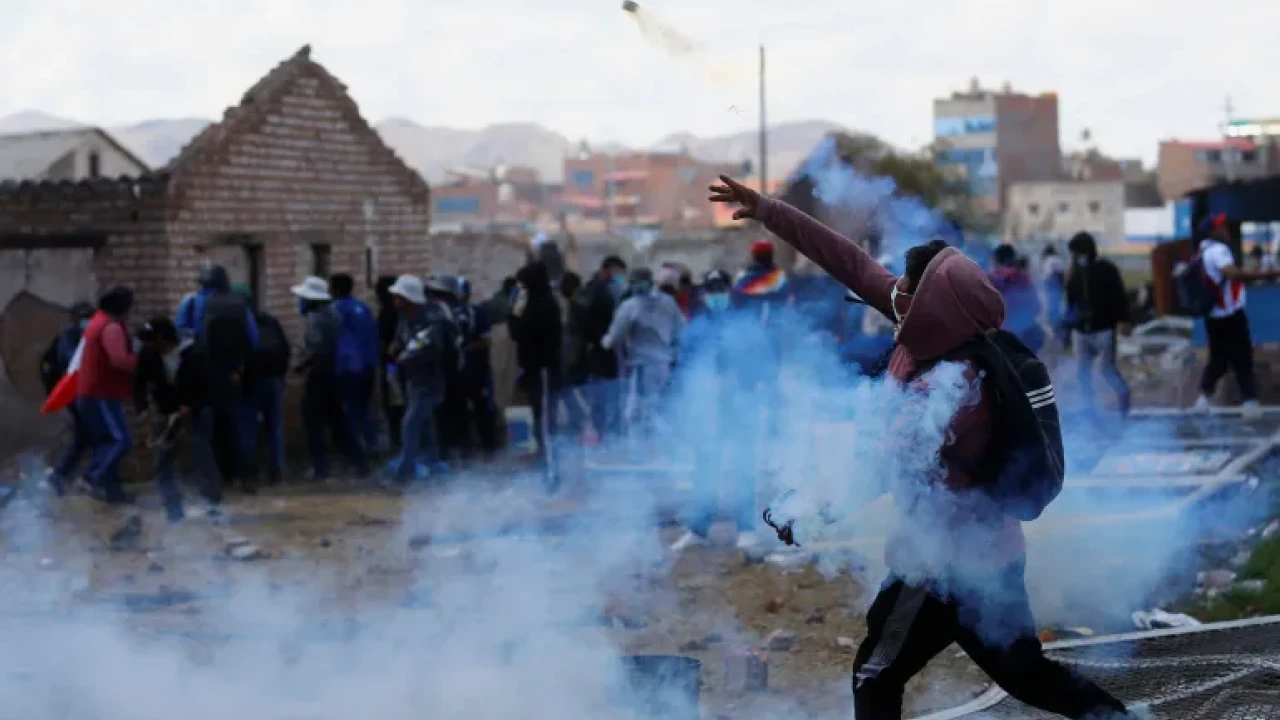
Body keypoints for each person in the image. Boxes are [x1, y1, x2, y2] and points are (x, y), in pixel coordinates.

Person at [708, 174, 1138, 720]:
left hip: (939, 570)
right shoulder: (940, 334)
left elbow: (885, 465)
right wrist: (768, 210)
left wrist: (807, 509)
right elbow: (851, 264)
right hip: (993, 560)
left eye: (906, 289)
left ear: (933, 305)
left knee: (875, 674)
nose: (893, 295)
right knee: (1029, 676)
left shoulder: (953, 388)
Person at [670, 269, 759, 552]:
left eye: (720, 288)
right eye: (711, 289)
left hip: (739, 407)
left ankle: (746, 528)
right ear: (704, 293)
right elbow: (683, 368)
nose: (716, 294)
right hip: (706, 409)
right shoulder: (695, 328)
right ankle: (699, 528)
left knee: (743, 467)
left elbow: (758, 365)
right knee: (706, 469)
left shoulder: (744, 325)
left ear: (729, 291)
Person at [175, 264, 259, 488]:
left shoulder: (191, 303)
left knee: (204, 431)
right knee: (233, 426)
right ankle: (240, 476)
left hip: (201, 379)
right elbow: (254, 341)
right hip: (231, 376)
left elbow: (179, 339)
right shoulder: (240, 305)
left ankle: (211, 482)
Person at [134, 317, 222, 521]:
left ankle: (213, 504)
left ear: (163, 339)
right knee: (162, 460)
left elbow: (209, 386)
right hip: (166, 410)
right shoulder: (149, 354)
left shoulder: (195, 353)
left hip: (197, 411)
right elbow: (139, 383)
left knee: (203, 455)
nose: (149, 345)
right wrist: (142, 407)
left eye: (152, 340)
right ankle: (174, 510)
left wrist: (190, 405)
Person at [1193, 214, 1279, 417]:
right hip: (1229, 314)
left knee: (1218, 359)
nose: (1226, 229)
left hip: (1214, 315)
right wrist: (1266, 275)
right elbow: (1232, 274)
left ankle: (1203, 399)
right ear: (1213, 231)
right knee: (1242, 357)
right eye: (1221, 226)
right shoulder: (1219, 250)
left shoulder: (1202, 250)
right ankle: (1249, 402)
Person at [292, 276, 367, 480]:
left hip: (320, 376)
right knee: (338, 423)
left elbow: (317, 349)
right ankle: (358, 460)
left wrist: (301, 365)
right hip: (335, 375)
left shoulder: (315, 318)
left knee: (313, 423)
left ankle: (320, 468)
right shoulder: (332, 313)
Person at [601, 267, 685, 442]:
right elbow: (681, 330)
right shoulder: (668, 302)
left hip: (642, 365)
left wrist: (604, 341)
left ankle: (644, 449)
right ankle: (663, 446)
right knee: (657, 407)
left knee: (637, 411)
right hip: (664, 363)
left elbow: (614, 338)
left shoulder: (630, 306)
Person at [77, 286, 139, 505]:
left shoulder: (99, 321)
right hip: (100, 393)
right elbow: (119, 360)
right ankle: (91, 478)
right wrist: (138, 360)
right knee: (119, 441)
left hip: (97, 392)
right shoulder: (110, 327)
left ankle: (113, 493)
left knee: (107, 442)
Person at [385, 274, 450, 483]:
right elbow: (400, 338)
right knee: (424, 425)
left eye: (398, 297)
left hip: (429, 384)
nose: (394, 301)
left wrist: (404, 356)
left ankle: (405, 472)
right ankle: (433, 464)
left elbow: (425, 349)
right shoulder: (406, 317)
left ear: (408, 298)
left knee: (410, 424)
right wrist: (396, 346)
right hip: (414, 381)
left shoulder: (430, 321)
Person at [508, 260, 564, 489]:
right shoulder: (539, 301)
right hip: (535, 369)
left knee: (544, 424)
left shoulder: (542, 304)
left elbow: (519, 332)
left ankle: (551, 474)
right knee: (540, 421)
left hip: (543, 370)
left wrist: (514, 312)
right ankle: (545, 468)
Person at [1065, 232, 1132, 416]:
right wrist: (1066, 327)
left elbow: (1119, 297)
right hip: (1081, 330)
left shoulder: (1107, 269)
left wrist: (1124, 320)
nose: (1077, 257)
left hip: (1104, 328)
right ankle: (1089, 408)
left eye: (1079, 252)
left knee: (1106, 368)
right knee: (1082, 372)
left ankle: (1123, 397)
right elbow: (1070, 303)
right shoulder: (1074, 273)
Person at [234, 284, 290, 486]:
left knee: (247, 426)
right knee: (275, 427)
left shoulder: (240, 323)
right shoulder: (270, 320)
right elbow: (285, 348)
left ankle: (249, 472)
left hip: (251, 381)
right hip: (274, 379)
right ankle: (277, 472)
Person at [41, 302, 95, 495]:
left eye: (89, 316)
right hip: (75, 392)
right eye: (83, 317)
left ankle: (60, 475)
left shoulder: (83, 335)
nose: (87, 321)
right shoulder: (69, 336)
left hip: (84, 392)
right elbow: (71, 361)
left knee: (85, 436)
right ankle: (87, 478)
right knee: (95, 435)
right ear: (74, 319)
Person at [573, 255, 628, 441]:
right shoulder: (598, 291)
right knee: (603, 398)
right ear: (608, 270)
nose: (619, 276)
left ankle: (605, 432)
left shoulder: (595, 290)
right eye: (617, 272)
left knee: (604, 398)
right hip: (600, 351)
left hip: (600, 351)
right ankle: (606, 435)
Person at [330, 273, 381, 456]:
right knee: (363, 407)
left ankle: (357, 454)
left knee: (350, 409)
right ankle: (371, 444)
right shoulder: (362, 307)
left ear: (334, 289)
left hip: (350, 367)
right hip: (369, 364)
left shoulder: (336, 309)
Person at [426, 275, 470, 463]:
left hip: (443, 368)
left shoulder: (438, 311)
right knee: (456, 411)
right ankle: (461, 450)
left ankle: (445, 453)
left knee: (443, 413)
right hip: (457, 368)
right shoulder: (460, 311)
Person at [458, 276, 499, 456]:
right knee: (460, 411)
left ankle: (489, 447)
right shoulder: (447, 312)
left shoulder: (477, 312)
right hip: (458, 372)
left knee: (482, 408)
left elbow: (486, 340)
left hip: (477, 370)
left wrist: (465, 349)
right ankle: (466, 448)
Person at [988, 244, 1045, 353]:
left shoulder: (988, 278)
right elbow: (1037, 307)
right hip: (1023, 337)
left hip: (996, 338)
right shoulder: (1022, 278)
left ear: (995, 260)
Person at [375, 275, 406, 449]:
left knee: (395, 406)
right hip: (401, 366)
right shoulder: (404, 311)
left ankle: (399, 445)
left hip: (392, 366)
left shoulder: (387, 314)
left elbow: (383, 342)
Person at [1040, 246, 1067, 349]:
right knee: (1056, 313)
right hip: (1056, 288)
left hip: (1051, 287)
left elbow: (1048, 276)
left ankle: (1055, 339)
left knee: (1051, 314)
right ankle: (1058, 339)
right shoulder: (1058, 260)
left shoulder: (1048, 260)